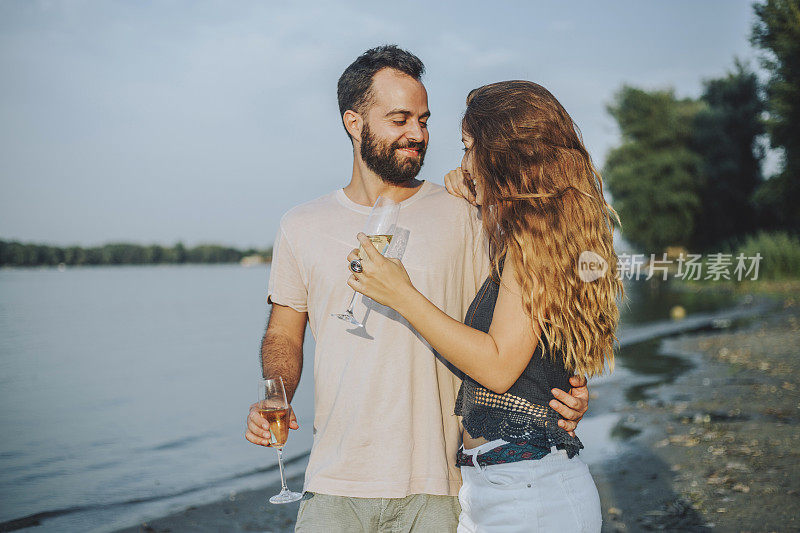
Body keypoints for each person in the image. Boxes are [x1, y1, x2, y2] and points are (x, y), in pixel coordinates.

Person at [244, 47, 590, 532]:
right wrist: (275, 395)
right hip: (335, 480)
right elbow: (284, 333)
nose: (418, 134)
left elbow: (532, 305)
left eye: (425, 120)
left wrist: (561, 387)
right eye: (400, 118)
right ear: (354, 122)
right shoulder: (301, 225)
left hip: (441, 484)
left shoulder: (467, 213)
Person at [347, 80, 622, 532]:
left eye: (471, 148)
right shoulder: (544, 231)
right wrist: (474, 189)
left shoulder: (534, 240)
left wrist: (402, 295)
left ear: (503, 153)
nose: (463, 162)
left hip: (527, 494)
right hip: (508, 486)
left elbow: (498, 367)